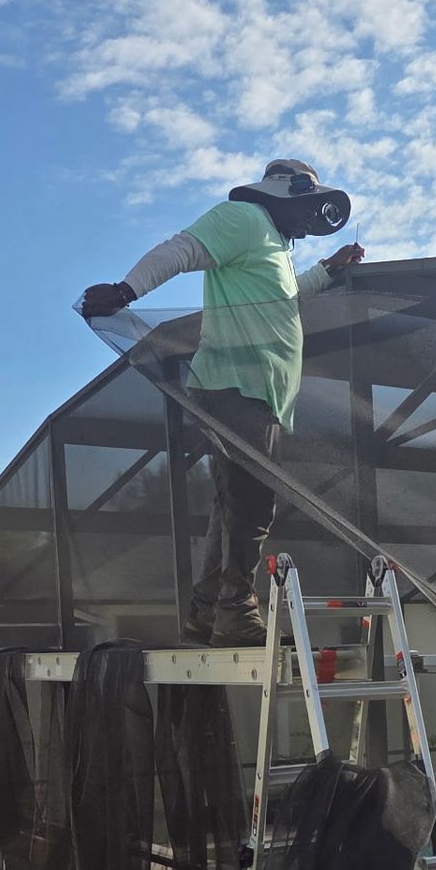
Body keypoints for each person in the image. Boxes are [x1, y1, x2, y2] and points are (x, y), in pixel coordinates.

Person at [81, 159, 364, 646]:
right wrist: (126, 291)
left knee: (233, 502)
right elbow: (185, 248)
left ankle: (206, 613)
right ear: (283, 194)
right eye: (305, 210)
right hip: (234, 385)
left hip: (261, 392)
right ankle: (236, 611)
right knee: (252, 503)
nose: (307, 223)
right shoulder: (244, 218)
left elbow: (285, 297)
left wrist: (328, 270)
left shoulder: (272, 245)